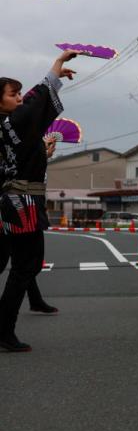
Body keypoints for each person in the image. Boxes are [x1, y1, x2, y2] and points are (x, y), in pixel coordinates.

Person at [0, 50, 79, 352]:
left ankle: (5, 324)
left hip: (16, 200)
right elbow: (35, 104)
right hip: (22, 202)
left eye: (20, 93)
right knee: (24, 266)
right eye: (13, 94)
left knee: (26, 265)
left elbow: (33, 108)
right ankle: (4, 329)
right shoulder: (11, 124)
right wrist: (57, 68)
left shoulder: (6, 127)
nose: (20, 98)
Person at [0, 132, 60, 316]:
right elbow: (15, 174)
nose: (19, 100)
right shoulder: (9, 135)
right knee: (16, 262)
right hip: (11, 208)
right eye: (14, 99)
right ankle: (5, 323)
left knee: (25, 262)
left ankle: (35, 300)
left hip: (24, 207)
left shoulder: (18, 133)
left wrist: (43, 155)